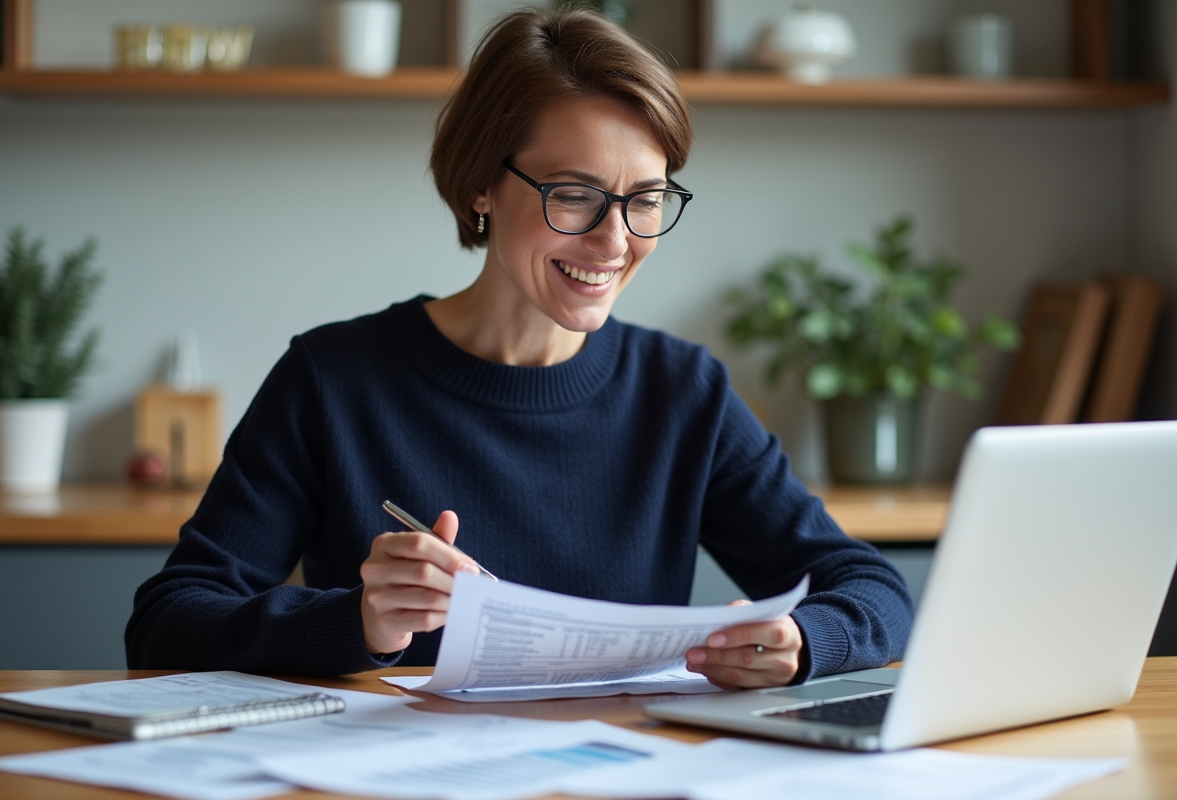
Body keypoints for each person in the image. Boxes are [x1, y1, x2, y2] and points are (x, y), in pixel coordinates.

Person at [126, 7, 913, 688]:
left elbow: (871, 587)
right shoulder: (332, 380)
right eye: (574, 195)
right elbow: (166, 624)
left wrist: (807, 640)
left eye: (645, 200)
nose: (615, 240)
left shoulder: (683, 391)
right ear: (481, 186)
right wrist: (359, 622)